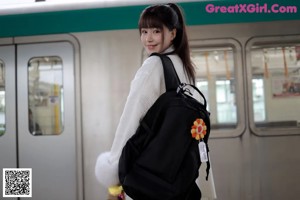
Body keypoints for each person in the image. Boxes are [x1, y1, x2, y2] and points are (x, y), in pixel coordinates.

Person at [95, 3, 199, 199]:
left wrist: (114, 171)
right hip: (179, 171)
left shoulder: (153, 65)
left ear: (173, 33)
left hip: (150, 174)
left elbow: (131, 119)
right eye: (144, 31)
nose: (148, 38)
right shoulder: (185, 67)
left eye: (156, 31)